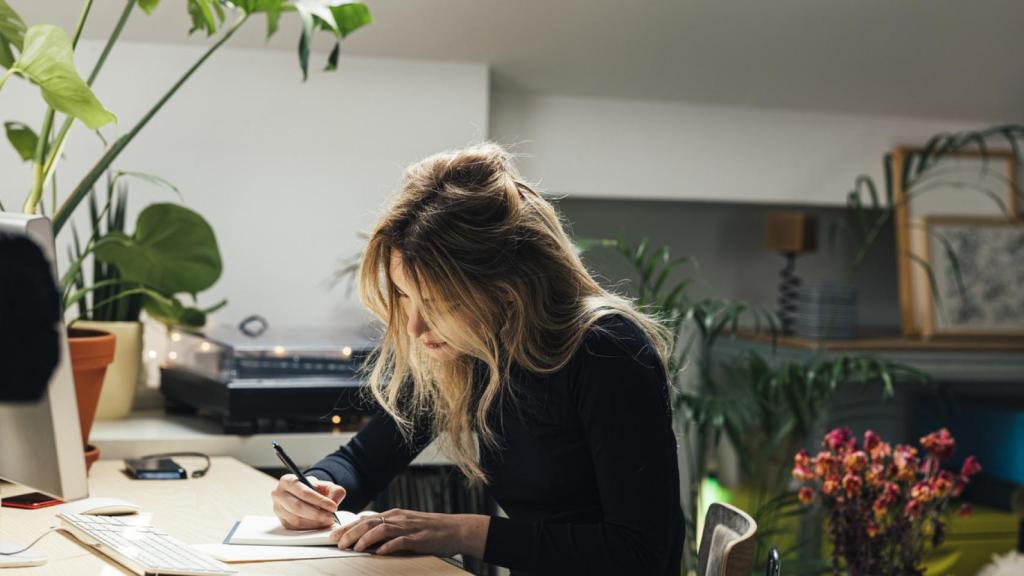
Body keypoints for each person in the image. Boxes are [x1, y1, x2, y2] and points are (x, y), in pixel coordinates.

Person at [270, 143, 684, 575]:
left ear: (507, 289)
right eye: (406, 298)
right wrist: (316, 488)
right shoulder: (469, 351)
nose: (413, 328)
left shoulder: (607, 350)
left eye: (437, 304)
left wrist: (461, 531)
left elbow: (638, 552)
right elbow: (363, 460)